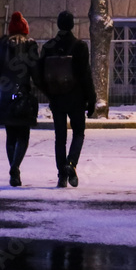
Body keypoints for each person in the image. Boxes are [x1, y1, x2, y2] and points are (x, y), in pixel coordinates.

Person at [39, 10, 96, 188]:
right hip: (76, 98)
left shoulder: (48, 47)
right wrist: (91, 99)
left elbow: (40, 75)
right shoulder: (79, 46)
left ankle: (62, 176)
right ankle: (71, 163)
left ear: (58, 24)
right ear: (72, 25)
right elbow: (85, 75)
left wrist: (49, 93)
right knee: (78, 133)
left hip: (57, 99)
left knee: (60, 138)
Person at [0, 11, 40, 187]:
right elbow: (36, 74)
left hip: (6, 97)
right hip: (23, 96)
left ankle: (13, 170)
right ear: (25, 31)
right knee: (23, 135)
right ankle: (15, 167)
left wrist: (0, 88)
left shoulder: (1, 47)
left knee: (10, 136)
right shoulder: (30, 48)